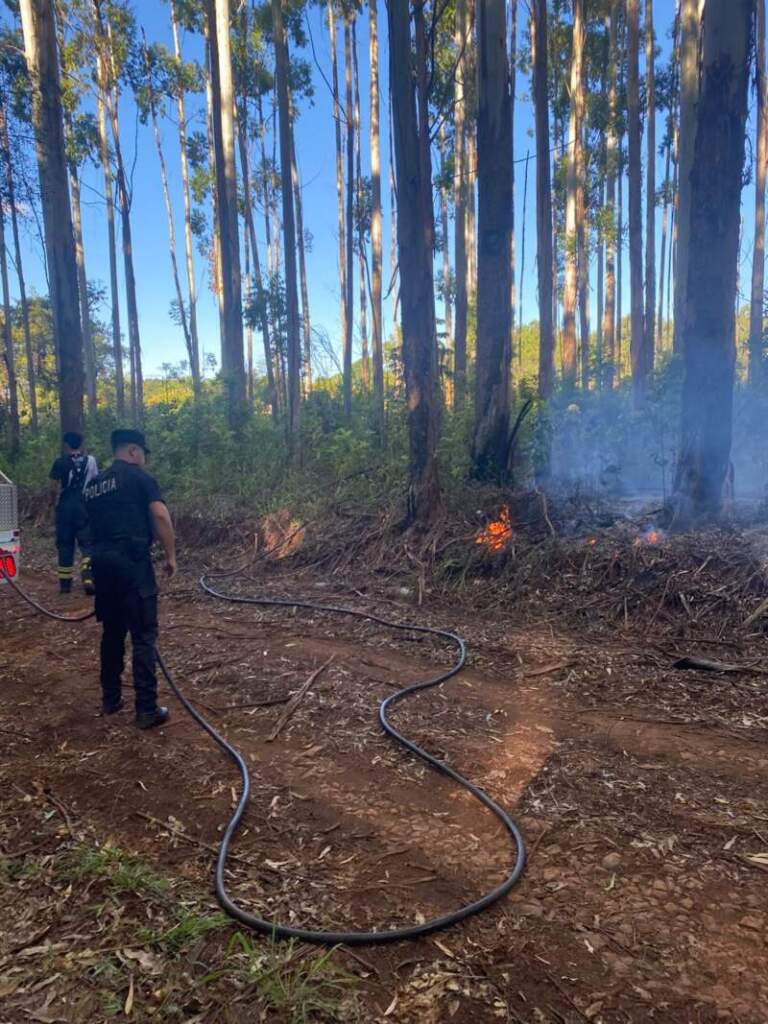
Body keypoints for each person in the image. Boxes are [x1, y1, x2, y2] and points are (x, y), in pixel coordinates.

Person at [84, 429, 177, 729]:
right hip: (131, 564)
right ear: (134, 451)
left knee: (112, 632)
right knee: (143, 635)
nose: (144, 459)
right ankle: (147, 710)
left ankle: (111, 699)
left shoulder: (94, 485)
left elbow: (88, 526)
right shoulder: (139, 478)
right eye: (143, 453)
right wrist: (171, 555)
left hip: (102, 565)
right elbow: (160, 515)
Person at [49, 432, 98, 594]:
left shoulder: (60, 462)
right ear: (81, 444)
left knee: (65, 545)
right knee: (88, 544)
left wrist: (52, 504)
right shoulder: (90, 461)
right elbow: (95, 481)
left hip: (65, 508)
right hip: (85, 507)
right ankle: (88, 576)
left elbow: (53, 487)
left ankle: (65, 585)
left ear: (67, 445)